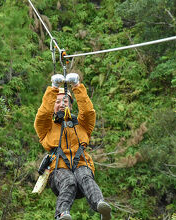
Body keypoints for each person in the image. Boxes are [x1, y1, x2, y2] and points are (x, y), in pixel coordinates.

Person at [34, 73, 111, 220]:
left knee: (85, 177)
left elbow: (88, 111)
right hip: (58, 169)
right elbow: (43, 114)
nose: (62, 104)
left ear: (70, 105)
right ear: (53, 105)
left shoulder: (81, 125)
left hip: (81, 164)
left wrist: (77, 86)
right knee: (69, 181)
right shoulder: (46, 127)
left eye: (66, 101)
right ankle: (62, 214)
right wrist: (54, 88)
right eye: (57, 102)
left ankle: (101, 206)